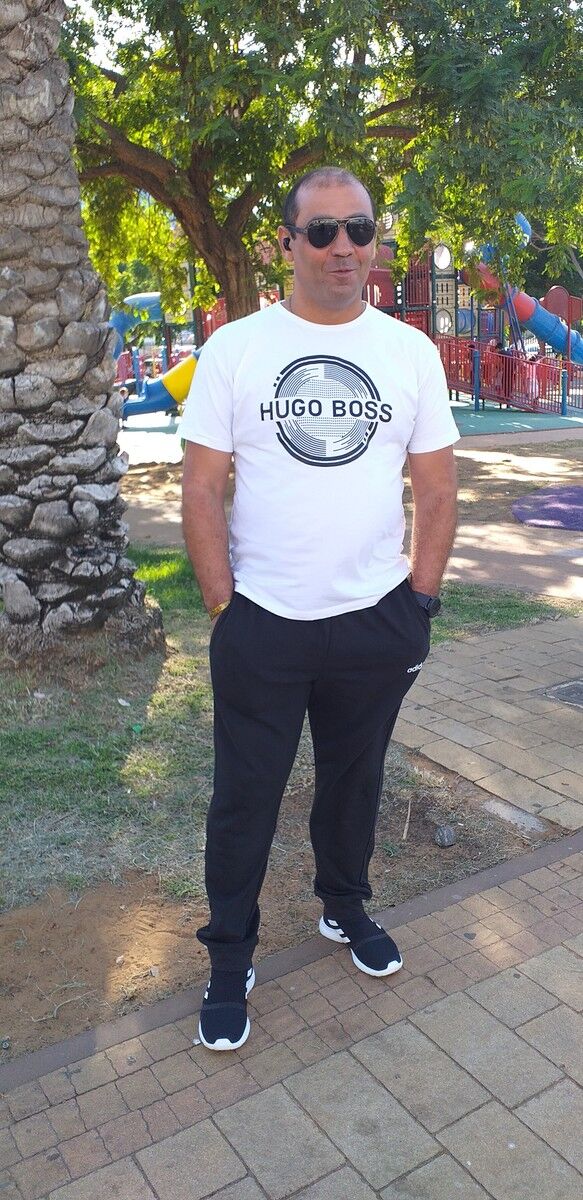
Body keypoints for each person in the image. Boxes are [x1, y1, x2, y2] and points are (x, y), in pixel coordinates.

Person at [179, 166, 459, 1051]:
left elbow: (436, 488)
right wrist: (223, 605)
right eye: (323, 231)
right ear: (288, 243)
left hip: (375, 618)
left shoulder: (409, 353)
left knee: (355, 781)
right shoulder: (236, 349)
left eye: (359, 229)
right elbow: (201, 486)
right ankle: (230, 958)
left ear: (375, 240)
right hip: (263, 620)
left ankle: (344, 906)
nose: (344, 248)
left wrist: (418, 600)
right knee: (245, 800)